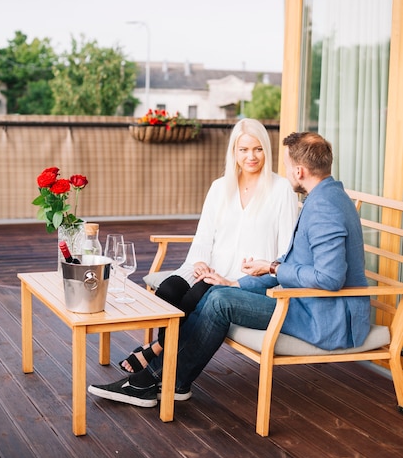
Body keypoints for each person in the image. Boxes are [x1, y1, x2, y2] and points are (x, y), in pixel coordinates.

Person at [89, 131, 371, 408]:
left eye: (286, 166)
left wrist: (272, 266)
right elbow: (300, 267)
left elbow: (329, 278)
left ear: (299, 171)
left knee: (220, 302)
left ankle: (159, 381)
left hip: (324, 316)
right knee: (220, 292)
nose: (284, 172)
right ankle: (164, 381)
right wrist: (238, 283)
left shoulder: (325, 207)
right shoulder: (325, 197)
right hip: (303, 301)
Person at [119, 118, 298, 373]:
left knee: (195, 296)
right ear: (234, 151)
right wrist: (200, 262)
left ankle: (156, 352)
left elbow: (286, 251)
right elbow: (203, 236)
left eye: (258, 149)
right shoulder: (219, 187)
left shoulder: (281, 190)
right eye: (244, 149)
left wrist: (260, 271)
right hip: (209, 266)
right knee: (168, 291)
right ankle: (161, 352)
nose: (251, 156)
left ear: (266, 151)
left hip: (243, 278)